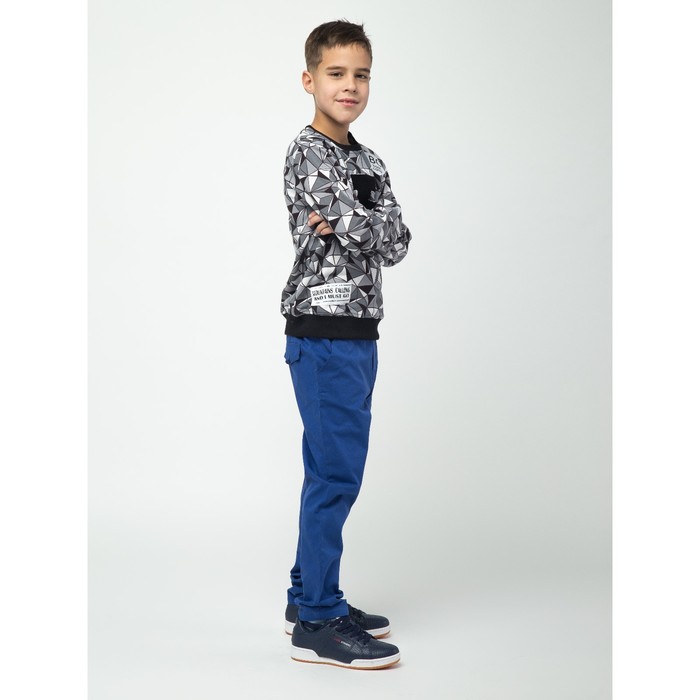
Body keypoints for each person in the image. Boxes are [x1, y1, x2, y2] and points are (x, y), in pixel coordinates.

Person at [280, 19, 412, 670]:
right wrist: (363, 221)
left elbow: (397, 240)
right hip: (323, 331)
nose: (350, 86)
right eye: (336, 73)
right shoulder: (306, 154)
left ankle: (307, 595)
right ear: (310, 80)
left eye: (361, 75)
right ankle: (318, 620)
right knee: (336, 476)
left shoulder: (370, 161)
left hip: (359, 333)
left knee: (329, 472)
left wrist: (349, 221)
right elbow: (372, 228)